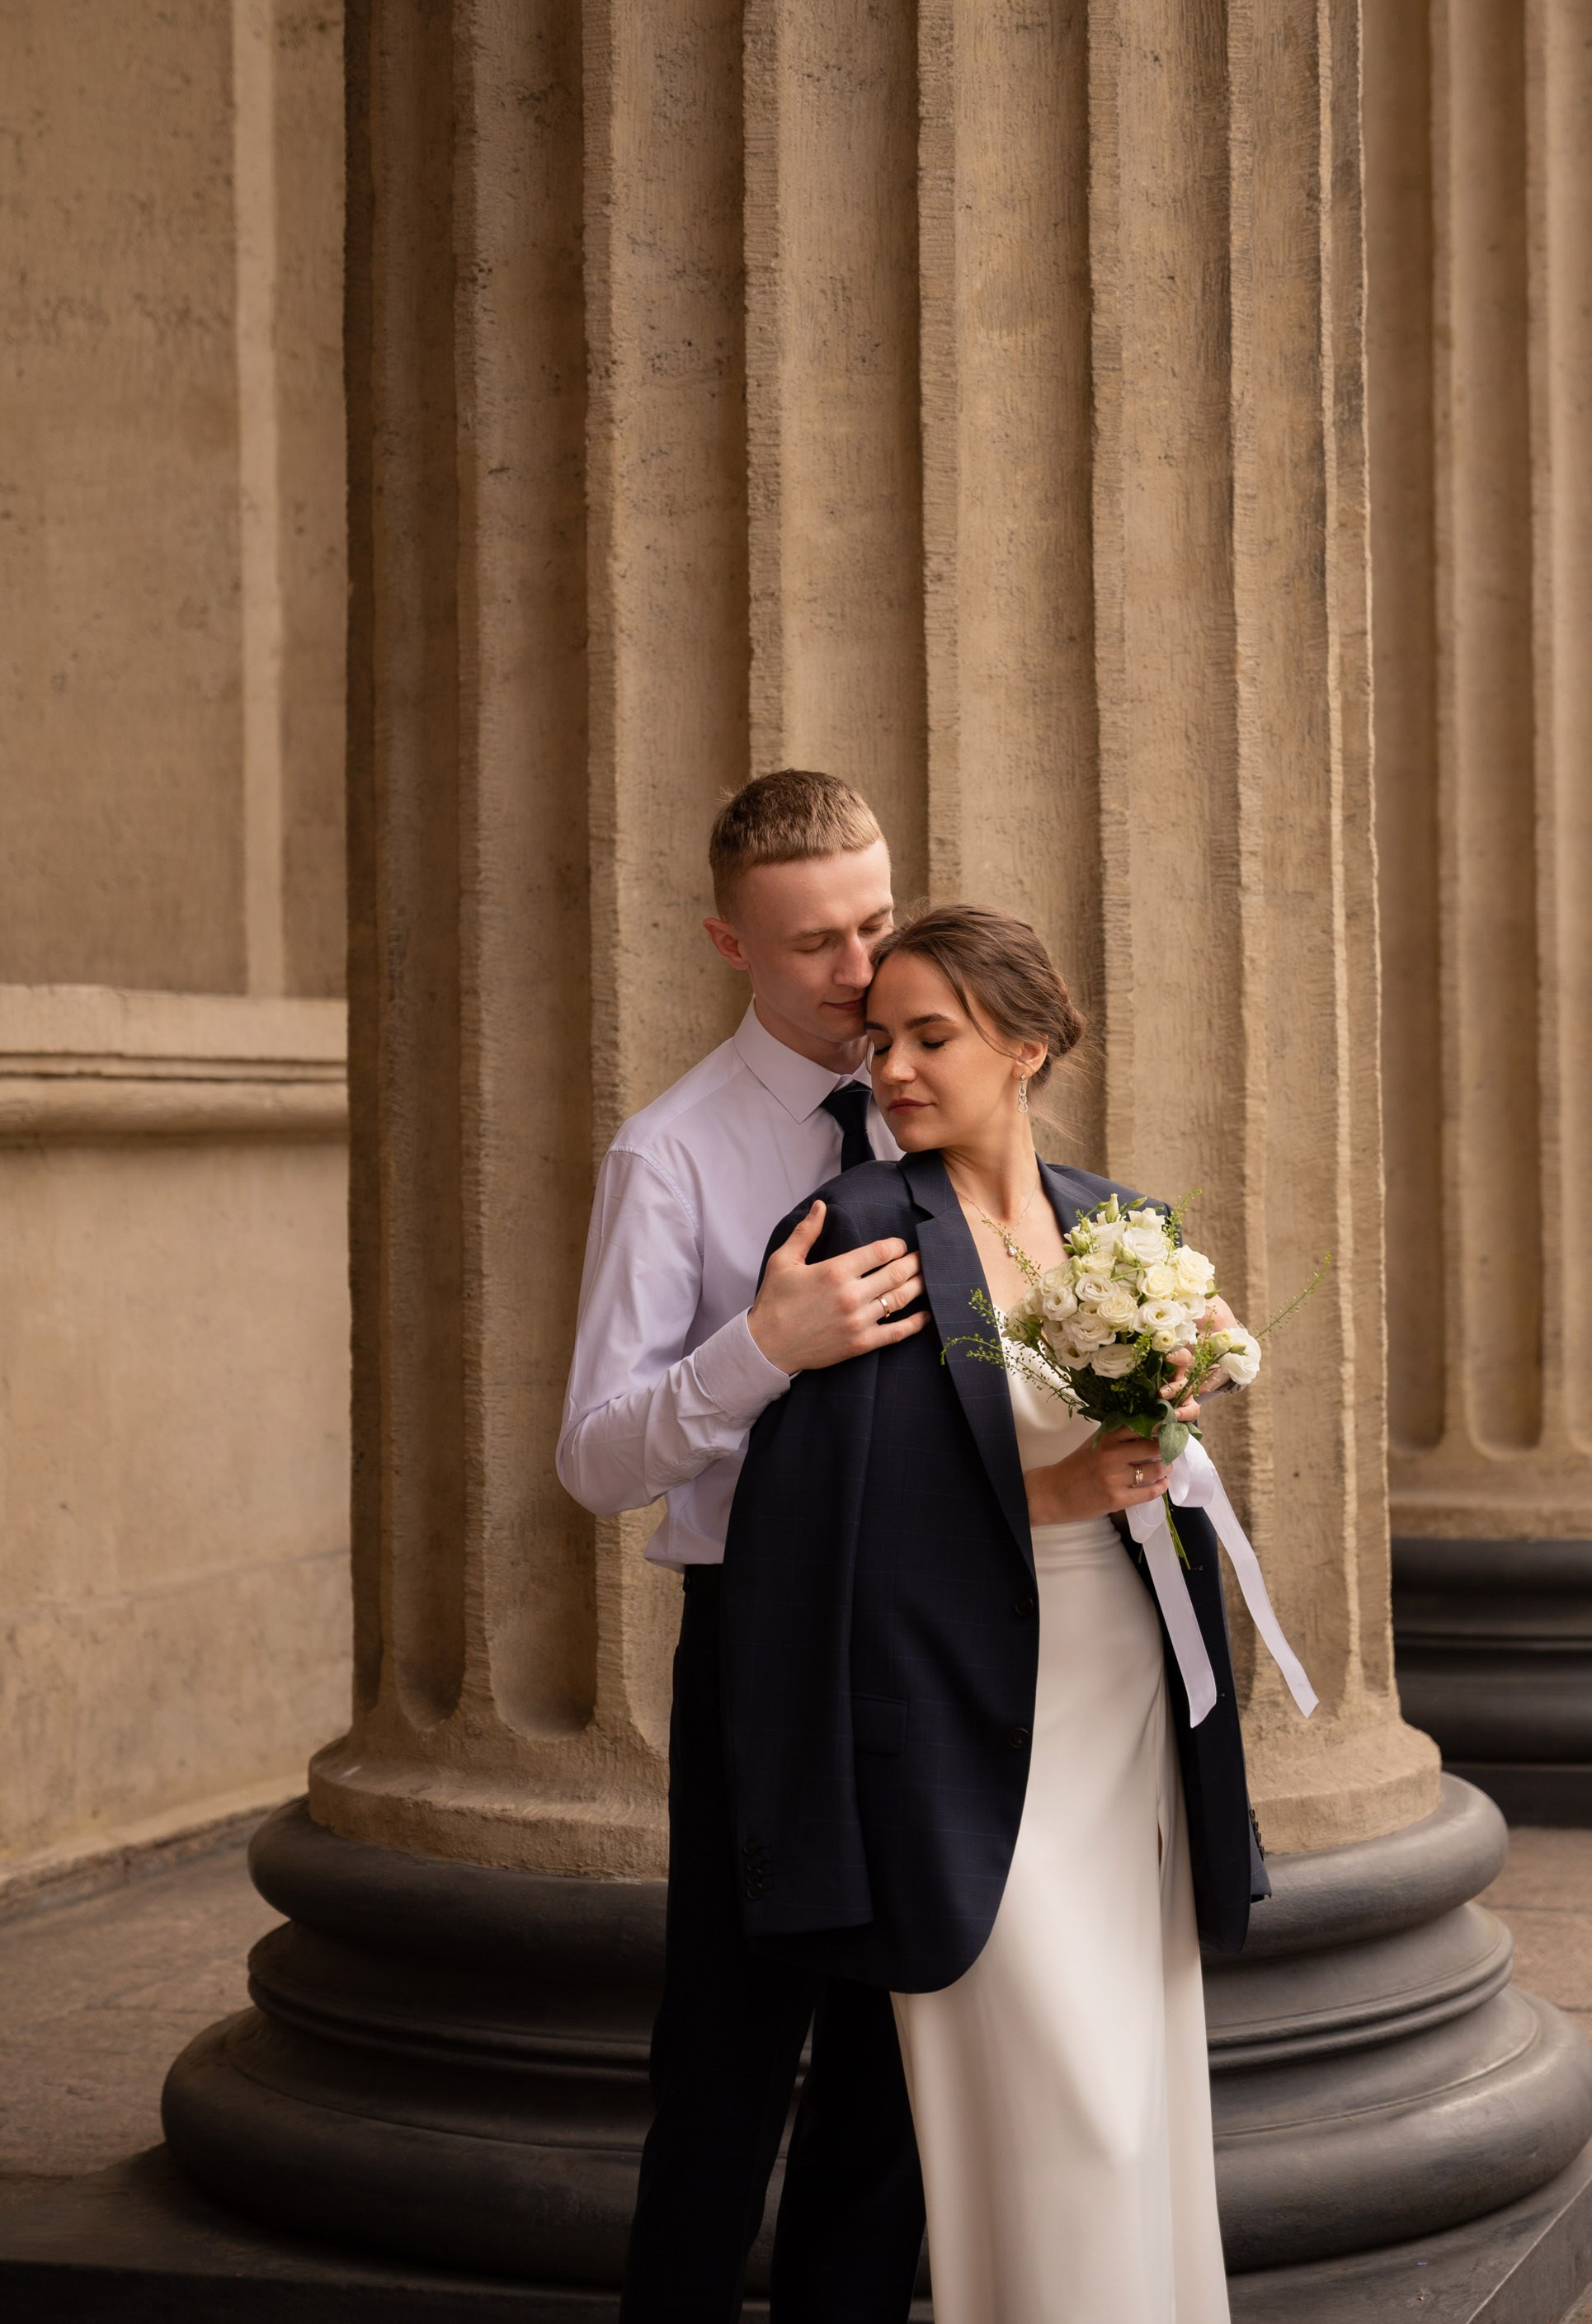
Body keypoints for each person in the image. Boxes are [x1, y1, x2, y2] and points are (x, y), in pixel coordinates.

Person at [722, 905, 1272, 2324]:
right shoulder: (857, 1227)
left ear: (1024, 1047)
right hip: (961, 1723)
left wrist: (1169, 1417)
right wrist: (1054, 1492)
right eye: (878, 1040)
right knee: (1050, 2099)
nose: (891, 1068)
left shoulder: (1118, 1224)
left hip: (1125, 1701)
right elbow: (809, 1523)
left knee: (1137, 2081)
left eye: (930, 1037)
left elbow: (1152, 1470)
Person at [556, 769, 930, 2323]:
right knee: (728, 2048)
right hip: (764, 1654)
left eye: (875, 924)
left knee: (893, 2067)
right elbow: (594, 1459)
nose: (858, 974)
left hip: (928, 1644)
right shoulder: (676, 1155)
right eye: (811, 947)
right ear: (729, 943)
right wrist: (760, 1348)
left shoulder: (942, 1099)